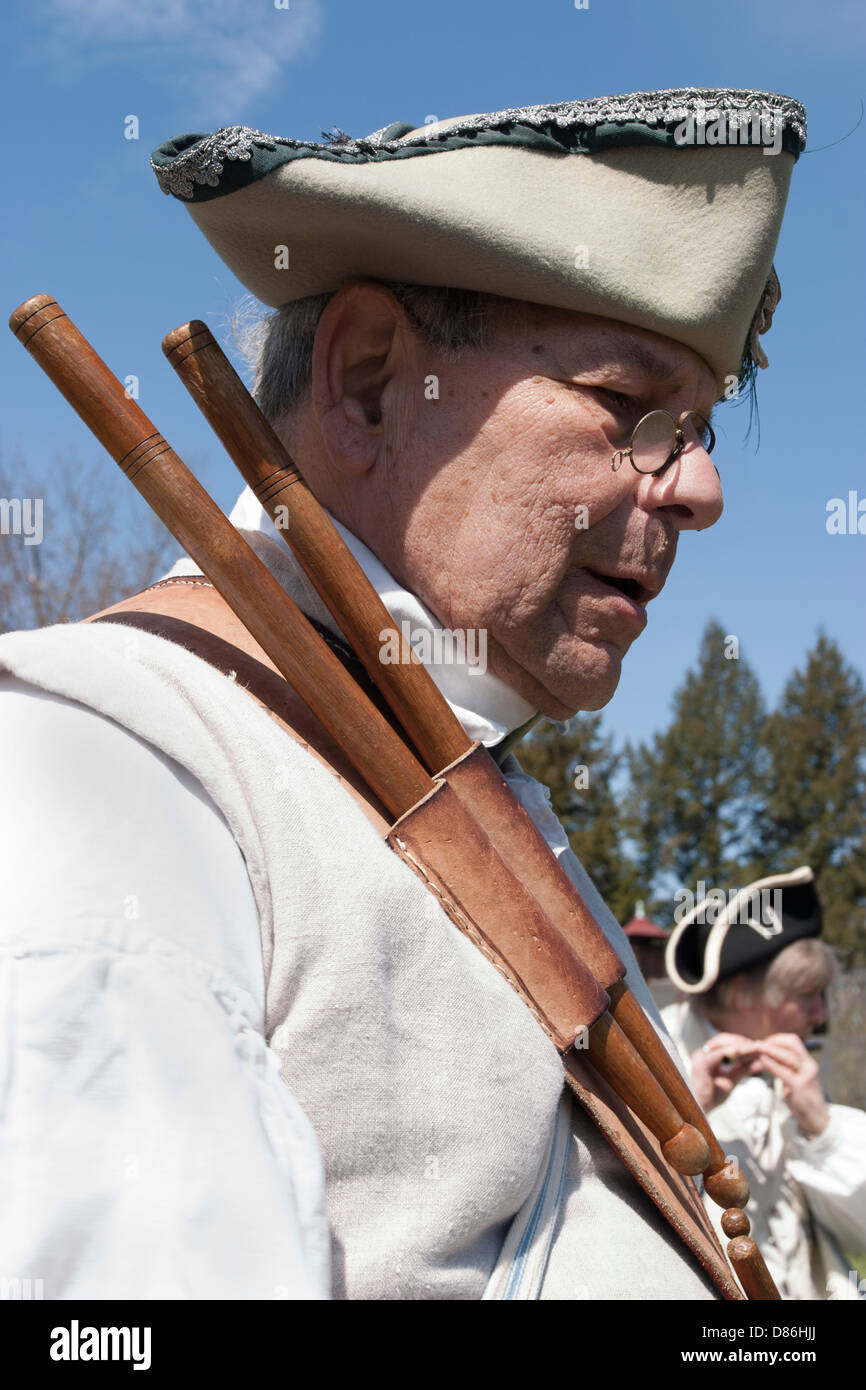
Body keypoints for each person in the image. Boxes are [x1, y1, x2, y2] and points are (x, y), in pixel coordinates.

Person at [0, 88, 806, 1300]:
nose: (699, 490)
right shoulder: (114, 758)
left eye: (696, 429)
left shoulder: (471, 785)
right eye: (631, 408)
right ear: (372, 382)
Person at [663, 867, 866, 1300]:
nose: (820, 1014)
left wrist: (822, 1130)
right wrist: (681, 1118)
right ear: (742, 993)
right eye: (808, 993)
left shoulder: (792, 1079)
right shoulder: (657, 1060)